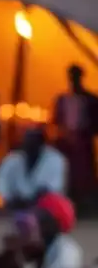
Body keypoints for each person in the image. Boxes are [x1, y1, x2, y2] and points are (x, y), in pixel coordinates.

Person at [51, 64, 98, 209]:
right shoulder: (62, 99)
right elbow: (56, 121)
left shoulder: (90, 100)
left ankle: (84, 204)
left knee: (83, 175)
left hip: (83, 143)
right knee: (67, 173)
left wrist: (83, 134)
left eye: (76, 75)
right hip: (66, 144)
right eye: (71, 75)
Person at [0, 126, 67, 211]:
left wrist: (33, 200)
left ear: (41, 145)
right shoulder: (11, 161)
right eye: (27, 143)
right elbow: (1, 190)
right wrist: (7, 200)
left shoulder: (55, 160)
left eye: (33, 144)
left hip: (45, 210)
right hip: (15, 209)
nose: (29, 147)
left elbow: (54, 190)